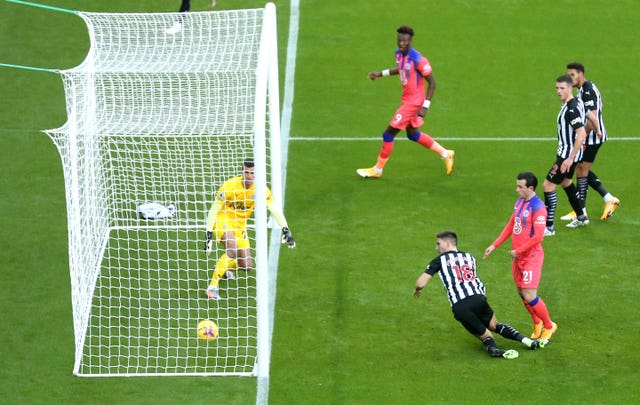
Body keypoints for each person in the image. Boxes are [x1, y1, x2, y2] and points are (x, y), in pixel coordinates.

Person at [414, 230, 542, 359]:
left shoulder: (438, 261)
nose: (436, 248)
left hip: (460, 306)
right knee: (495, 325)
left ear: (447, 243)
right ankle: (527, 341)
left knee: (486, 335)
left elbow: (421, 283)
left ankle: (495, 350)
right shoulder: (469, 257)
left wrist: (417, 289)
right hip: (478, 298)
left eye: (438, 244)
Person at [356, 25, 454, 179]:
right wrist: (380, 74)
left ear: (411, 41)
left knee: (388, 134)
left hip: (414, 103)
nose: (401, 44)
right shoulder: (399, 54)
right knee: (413, 134)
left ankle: (377, 170)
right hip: (406, 99)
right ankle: (445, 153)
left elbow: (432, 83)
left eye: (405, 41)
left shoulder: (419, 60)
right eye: (399, 40)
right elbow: (400, 69)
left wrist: (425, 106)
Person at [203, 158, 296, 300]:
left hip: (240, 225)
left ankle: (226, 268)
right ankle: (212, 287)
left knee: (246, 266)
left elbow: (274, 209)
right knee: (232, 248)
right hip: (224, 220)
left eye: (252, 173)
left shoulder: (261, 190)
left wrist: (286, 229)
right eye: (246, 172)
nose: (249, 176)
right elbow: (214, 209)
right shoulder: (229, 186)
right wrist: (208, 234)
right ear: (242, 172)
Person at [483, 172, 557, 342]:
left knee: (530, 294)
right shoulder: (520, 202)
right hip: (518, 257)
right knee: (521, 293)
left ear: (530, 188)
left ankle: (549, 325)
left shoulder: (538, 208)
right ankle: (537, 322)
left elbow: (539, 237)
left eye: (520, 187)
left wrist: (519, 250)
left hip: (531, 257)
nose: (517, 190)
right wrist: (494, 245)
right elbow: (511, 224)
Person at [560, 62, 620, 221]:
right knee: (581, 169)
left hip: (592, 138)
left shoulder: (586, 91)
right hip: (590, 137)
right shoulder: (585, 89)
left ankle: (582, 210)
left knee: (581, 170)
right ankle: (605, 200)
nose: (570, 77)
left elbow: (591, 116)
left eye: (572, 74)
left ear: (581, 73)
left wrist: (581, 136)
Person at [541, 74, 589, 235]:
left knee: (548, 186)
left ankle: (549, 227)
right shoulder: (574, 103)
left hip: (567, 155)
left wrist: (569, 158)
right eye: (557, 88)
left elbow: (581, 134)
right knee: (566, 182)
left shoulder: (571, 109)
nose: (558, 91)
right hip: (572, 153)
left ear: (570, 88)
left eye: (562, 88)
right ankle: (581, 216)